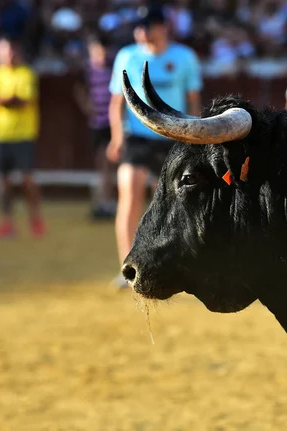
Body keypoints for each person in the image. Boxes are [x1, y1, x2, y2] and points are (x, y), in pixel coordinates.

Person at [107, 5, 202, 288]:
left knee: (177, 203)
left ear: (163, 27)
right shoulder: (127, 56)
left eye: (148, 26)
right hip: (137, 137)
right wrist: (116, 135)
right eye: (139, 26)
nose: (142, 32)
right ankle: (127, 266)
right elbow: (116, 102)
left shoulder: (184, 57)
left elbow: (193, 100)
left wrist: (194, 136)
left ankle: (178, 264)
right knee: (129, 193)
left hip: (173, 137)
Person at [0, 35, 45, 239]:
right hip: (0, 135)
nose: (8, 56)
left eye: (11, 52)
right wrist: (8, 99)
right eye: (4, 52)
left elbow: (24, 101)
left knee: (27, 180)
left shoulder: (27, 73)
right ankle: (8, 222)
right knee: (3, 181)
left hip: (24, 135)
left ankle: (35, 218)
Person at [74, 34, 116, 220]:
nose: (101, 54)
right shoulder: (87, 71)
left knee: (111, 163)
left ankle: (108, 202)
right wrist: (86, 106)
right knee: (103, 163)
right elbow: (78, 89)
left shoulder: (113, 69)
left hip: (113, 123)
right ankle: (105, 202)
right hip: (98, 124)